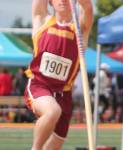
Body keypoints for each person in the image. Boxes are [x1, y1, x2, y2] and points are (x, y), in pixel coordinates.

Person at [24, 0, 93, 150]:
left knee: (58, 140)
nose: (62, 0)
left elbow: (87, 7)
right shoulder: (42, 19)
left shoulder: (80, 29)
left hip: (64, 92)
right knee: (52, 111)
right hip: (39, 85)